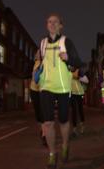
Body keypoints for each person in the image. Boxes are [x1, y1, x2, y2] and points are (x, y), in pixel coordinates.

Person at [37, 13, 84, 169]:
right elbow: (41, 62)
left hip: (63, 87)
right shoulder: (42, 43)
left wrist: (68, 58)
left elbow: (78, 63)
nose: (52, 24)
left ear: (60, 25)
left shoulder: (66, 41)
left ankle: (65, 145)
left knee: (63, 120)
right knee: (48, 122)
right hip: (46, 87)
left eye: (55, 22)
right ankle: (52, 153)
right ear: (46, 25)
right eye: (49, 21)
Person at [29, 50, 47, 146]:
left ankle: (44, 135)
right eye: (36, 52)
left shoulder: (45, 63)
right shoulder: (36, 63)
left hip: (42, 91)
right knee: (38, 115)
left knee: (43, 113)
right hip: (33, 90)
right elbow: (34, 78)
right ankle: (42, 130)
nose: (37, 54)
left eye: (39, 52)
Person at [70, 68, 88, 137]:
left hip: (79, 93)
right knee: (74, 111)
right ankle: (74, 129)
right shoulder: (67, 71)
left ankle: (82, 125)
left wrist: (78, 77)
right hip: (72, 94)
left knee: (80, 110)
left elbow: (87, 80)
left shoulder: (79, 71)